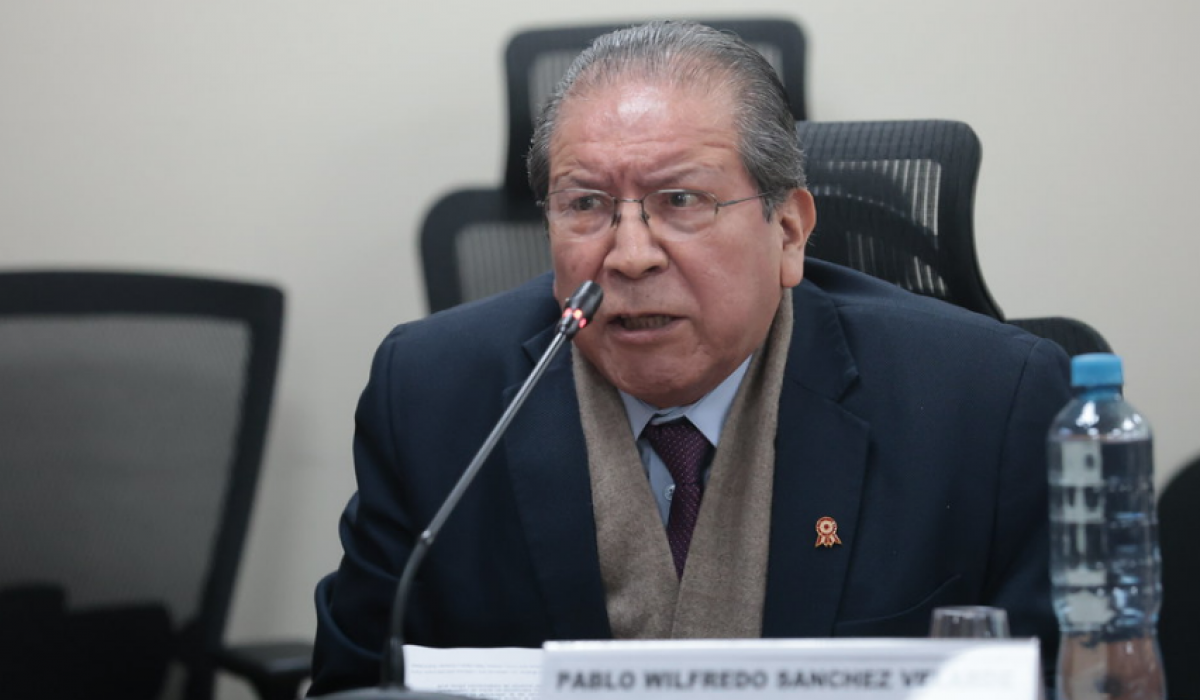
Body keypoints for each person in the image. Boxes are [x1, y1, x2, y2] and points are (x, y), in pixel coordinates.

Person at [309, 20, 1069, 694]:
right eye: (585, 205)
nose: (630, 255)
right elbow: (356, 683)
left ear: (789, 232)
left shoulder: (984, 405)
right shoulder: (433, 396)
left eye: (681, 201)